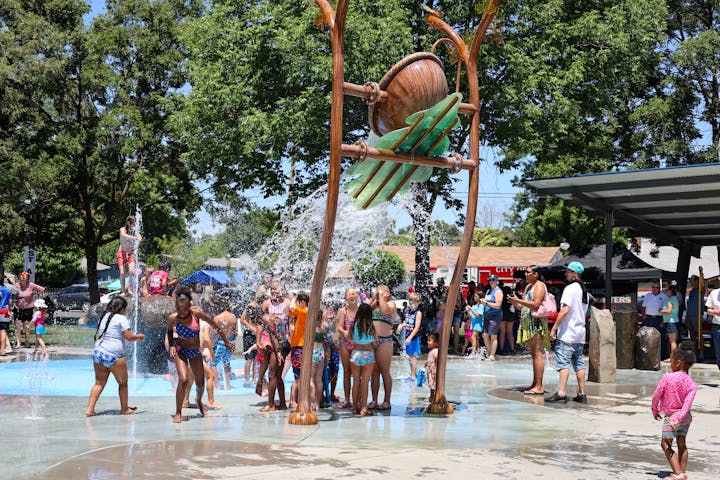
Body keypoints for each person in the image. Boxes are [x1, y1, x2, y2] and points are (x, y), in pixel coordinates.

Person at [167, 285, 235, 423]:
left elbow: (215, 325)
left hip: (195, 351)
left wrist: (226, 341)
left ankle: (198, 401)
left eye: (185, 309)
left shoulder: (196, 314)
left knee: (200, 383)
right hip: (181, 351)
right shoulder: (173, 318)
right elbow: (170, 331)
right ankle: (178, 412)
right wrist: (172, 345)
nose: (182, 312)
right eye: (179, 309)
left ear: (189, 305)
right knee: (184, 379)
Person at [86, 296, 145, 416]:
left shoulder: (105, 316)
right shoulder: (120, 318)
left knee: (99, 383)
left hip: (99, 353)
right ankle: (124, 409)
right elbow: (129, 337)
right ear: (121, 308)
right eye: (125, 308)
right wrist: (139, 336)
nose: (126, 311)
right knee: (123, 383)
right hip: (114, 356)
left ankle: (90, 409)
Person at [651, 341, 698, 480]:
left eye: (671, 361)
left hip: (672, 416)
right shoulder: (692, 383)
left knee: (665, 443)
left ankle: (677, 473)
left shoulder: (667, 377)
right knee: (682, 442)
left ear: (678, 362)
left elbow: (656, 395)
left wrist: (655, 409)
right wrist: (681, 417)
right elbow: (687, 404)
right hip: (686, 417)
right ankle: (682, 472)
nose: (670, 364)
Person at [547, 262, 589, 403]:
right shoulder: (585, 291)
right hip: (580, 333)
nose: (566, 274)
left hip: (567, 333)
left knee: (563, 363)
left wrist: (554, 329)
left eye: (568, 272)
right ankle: (582, 393)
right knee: (579, 363)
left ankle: (562, 392)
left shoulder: (570, 289)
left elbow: (565, 310)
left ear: (574, 274)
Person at [509, 265, 552, 395]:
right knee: (534, 354)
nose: (525, 275)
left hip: (536, 322)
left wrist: (519, 300)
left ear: (536, 274)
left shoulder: (539, 286)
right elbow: (524, 306)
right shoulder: (529, 287)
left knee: (537, 353)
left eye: (528, 273)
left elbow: (536, 304)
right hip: (528, 321)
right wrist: (514, 302)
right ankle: (535, 383)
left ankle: (539, 386)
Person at [369, 285, 395, 411]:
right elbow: (365, 310)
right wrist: (374, 299)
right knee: (374, 372)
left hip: (385, 341)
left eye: (386, 291)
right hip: (372, 341)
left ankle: (387, 400)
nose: (384, 293)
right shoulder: (373, 303)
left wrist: (380, 298)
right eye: (381, 291)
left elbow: (385, 310)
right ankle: (374, 399)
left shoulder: (391, 304)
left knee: (385, 371)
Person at [350, 302, 376, 416]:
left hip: (356, 354)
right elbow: (375, 341)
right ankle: (364, 408)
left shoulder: (354, 324)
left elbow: (350, 338)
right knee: (365, 382)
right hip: (368, 354)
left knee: (356, 382)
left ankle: (355, 407)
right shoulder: (371, 325)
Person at [336, 288, 359, 408]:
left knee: (357, 373)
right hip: (345, 344)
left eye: (353, 293)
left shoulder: (361, 310)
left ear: (357, 296)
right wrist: (344, 332)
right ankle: (347, 399)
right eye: (349, 294)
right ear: (345, 298)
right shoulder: (343, 311)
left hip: (357, 344)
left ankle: (358, 398)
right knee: (346, 371)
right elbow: (339, 327)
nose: (352, 296)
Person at [210, 296, 238, 390]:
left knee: (213, 363)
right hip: (230, 342)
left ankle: (217, 385)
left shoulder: (217, 318)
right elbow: (236, 332)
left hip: (220, 343)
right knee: (227, 363)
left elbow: (214, 333)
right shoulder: (233, 317)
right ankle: (228, 385)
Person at [239, 289, 265, 388]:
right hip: (249, 334)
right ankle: (246, 379)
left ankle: (255, 379)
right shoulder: (250, 306)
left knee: (256, 358)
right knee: (249, 358)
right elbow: (242, 319)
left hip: (257, 333)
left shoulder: (261, 306)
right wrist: (252, 328)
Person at [288, 291, 309, 408]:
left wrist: (294, 297)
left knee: (298, 375)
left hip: (299, 345)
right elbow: (289, 309)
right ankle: (295, 399)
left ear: (301, 302)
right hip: (300, 345)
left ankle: (294, 400)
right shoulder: (304, 312)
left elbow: (291, 306)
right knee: (299, 375)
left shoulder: (304, 311)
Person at [14, 272, 45, 348]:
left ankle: (27, 342)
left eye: (23, 277)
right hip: (18, 308)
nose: (21, 278)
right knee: (17, 325)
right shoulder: (16, 285)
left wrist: (35, 294)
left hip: (28, 308)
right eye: (20, 277)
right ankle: (18, 343)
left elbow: (42, 289)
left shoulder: (31, 285)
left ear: (27, 278)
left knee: (26, 326)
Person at [398, 292, 422, 381]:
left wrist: (410, 338)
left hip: (414, 337)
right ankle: (413, 373)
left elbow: (417, 328)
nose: (411, 303)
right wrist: (402, 325)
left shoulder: (418, 313)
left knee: (413, 356)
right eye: (410, 301)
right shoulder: (407, 311)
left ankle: (413, 375)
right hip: (408, 336)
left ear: (418, 302)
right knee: (409, 355)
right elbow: (406, 322)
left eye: (413, 301)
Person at [479, 275, 503, 362]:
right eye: (489, 280)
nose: (491, 281)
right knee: (485, 335)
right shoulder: (488, 291)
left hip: (495, 315)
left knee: (493, 335)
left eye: (493, 280)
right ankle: (489, 354)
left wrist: (487, 303)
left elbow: (497, 305)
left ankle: (492, 355)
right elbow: (486, 303)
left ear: (497, 281)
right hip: (487, 315)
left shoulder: (498, 292)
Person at [117, 216, 141, 295]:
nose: (133, 224)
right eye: (131, 222)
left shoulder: (134, 231)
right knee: (122, 273)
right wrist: (134, 238)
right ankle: (123, 291)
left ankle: (130, 289)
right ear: (127, 222)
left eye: (134, 223)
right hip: (122, 253)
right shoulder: (122, 229)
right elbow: (123, 235)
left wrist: (139, 239)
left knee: (131, 271)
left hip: (130, 253)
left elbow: (140, 238)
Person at [683, 275, 705, 361]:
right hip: (689, 315)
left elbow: (702, 285)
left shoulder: (700, 289)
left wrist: (701, 274)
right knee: (692, 335)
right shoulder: (691, 291)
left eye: (692, 280)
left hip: (697, 315)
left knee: (699, 334)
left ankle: (701, 353)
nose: (691, 282)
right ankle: (694, 353)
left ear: (696, 281)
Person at [661, 284, 681, 359]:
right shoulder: (674, 298)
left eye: (667, 290)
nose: (666, 292)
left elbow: (669, 311)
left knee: (672, 341)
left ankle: (673, 358)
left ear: (670, 291)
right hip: (672, 321)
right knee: (673, 341)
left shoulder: (670, 300)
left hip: (670, 322)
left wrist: (661, 310)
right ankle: (672, 357)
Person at [705, 284, 720, 371]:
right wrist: (715, 312)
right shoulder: (714, 293)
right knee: (718, 355)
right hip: (717, 327)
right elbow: (708, 310)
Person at [465, 292, 485, 358]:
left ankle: (473, 352)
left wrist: (471, 309)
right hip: (473, 323)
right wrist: (468, 311)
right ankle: (478, 351)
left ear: (480, 297)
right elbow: (470, 316)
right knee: (476, 338)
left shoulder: (481, 306)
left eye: (476, 296)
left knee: (473, 337)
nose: (475, 297)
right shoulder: (474, 306)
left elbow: (477, 315)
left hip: (478, 323)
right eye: (474, 296)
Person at [499, 281, 516, 355]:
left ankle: (501, 349)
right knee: (510, 332)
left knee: (502, 332)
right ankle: (512, 349)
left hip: (502, 313)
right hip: (511, 313)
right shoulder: (511, 296)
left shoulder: (501, 295)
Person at [424, 332, 439, 402]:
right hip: (430, 371)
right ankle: (432, 396)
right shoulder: (431, 351)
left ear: (436, 343)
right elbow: (430, 360)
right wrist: (426, 364)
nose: (428, 342)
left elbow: (437, 358)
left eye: (430, 340)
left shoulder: (435, 351)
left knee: (433, 384)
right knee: (431, 384)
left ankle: (432, 396)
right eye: (428, 340)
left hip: (434, 372)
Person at [0, 282, 13, 356]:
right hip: (5, 310)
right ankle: (2, 350)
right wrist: (9, 310)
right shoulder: (7, 290)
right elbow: (10, 302)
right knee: (3, 330)